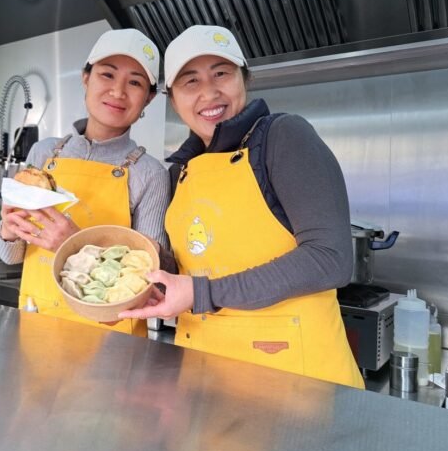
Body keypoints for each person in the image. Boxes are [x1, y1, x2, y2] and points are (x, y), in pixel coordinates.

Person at [120, 25, 364, 388]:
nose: (209, 92)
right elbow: (194, 267)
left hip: (296, 382)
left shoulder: (284, 137)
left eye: (221, 73)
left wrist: (204, 293)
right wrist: (140, 269)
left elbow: (331, 259)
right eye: (190, 81)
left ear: (244, 78)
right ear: (173, 100)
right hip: (206, 379)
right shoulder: (179, 173)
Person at [0, 28, 169, 337]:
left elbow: (150, 273)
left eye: (135, 82)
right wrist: (8, 232)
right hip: (38, 322)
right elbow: (11, 256)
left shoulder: (150, 173)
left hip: (111, 336)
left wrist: (76, 242)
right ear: (86, 78)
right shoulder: (44, 152)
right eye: (107, 75)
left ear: (149, 98)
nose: (118, 91)